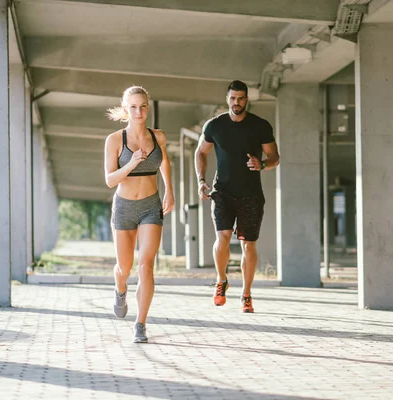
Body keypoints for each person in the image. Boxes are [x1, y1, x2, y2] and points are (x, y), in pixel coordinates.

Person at [195, 80, 280, 313]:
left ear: (247, 100)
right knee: (222, 237)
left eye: (241, 98)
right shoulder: (215, 125)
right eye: (232, 98)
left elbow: (274, 156)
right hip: (222, 191)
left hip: (251, 195)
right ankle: (221, 280)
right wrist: (201, 181)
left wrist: (262, 164)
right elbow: (201, 152)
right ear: (227, 99)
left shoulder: (260, 126)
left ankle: (246, 294)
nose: (236, 103)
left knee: (248, 244)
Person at [104, 85, 174, 343]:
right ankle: (120, 288)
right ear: (126, 109)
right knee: (125, 267)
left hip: (150, 206)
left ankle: (140, 324)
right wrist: (132, 162)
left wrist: (169, 190)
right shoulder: (114, 140)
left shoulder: (159, 137)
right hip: (123, 207)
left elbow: (164, 160)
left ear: (148, 107)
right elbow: (110, 179)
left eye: (143, 106)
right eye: (133, 107)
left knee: (146, 265)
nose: (138, 111)